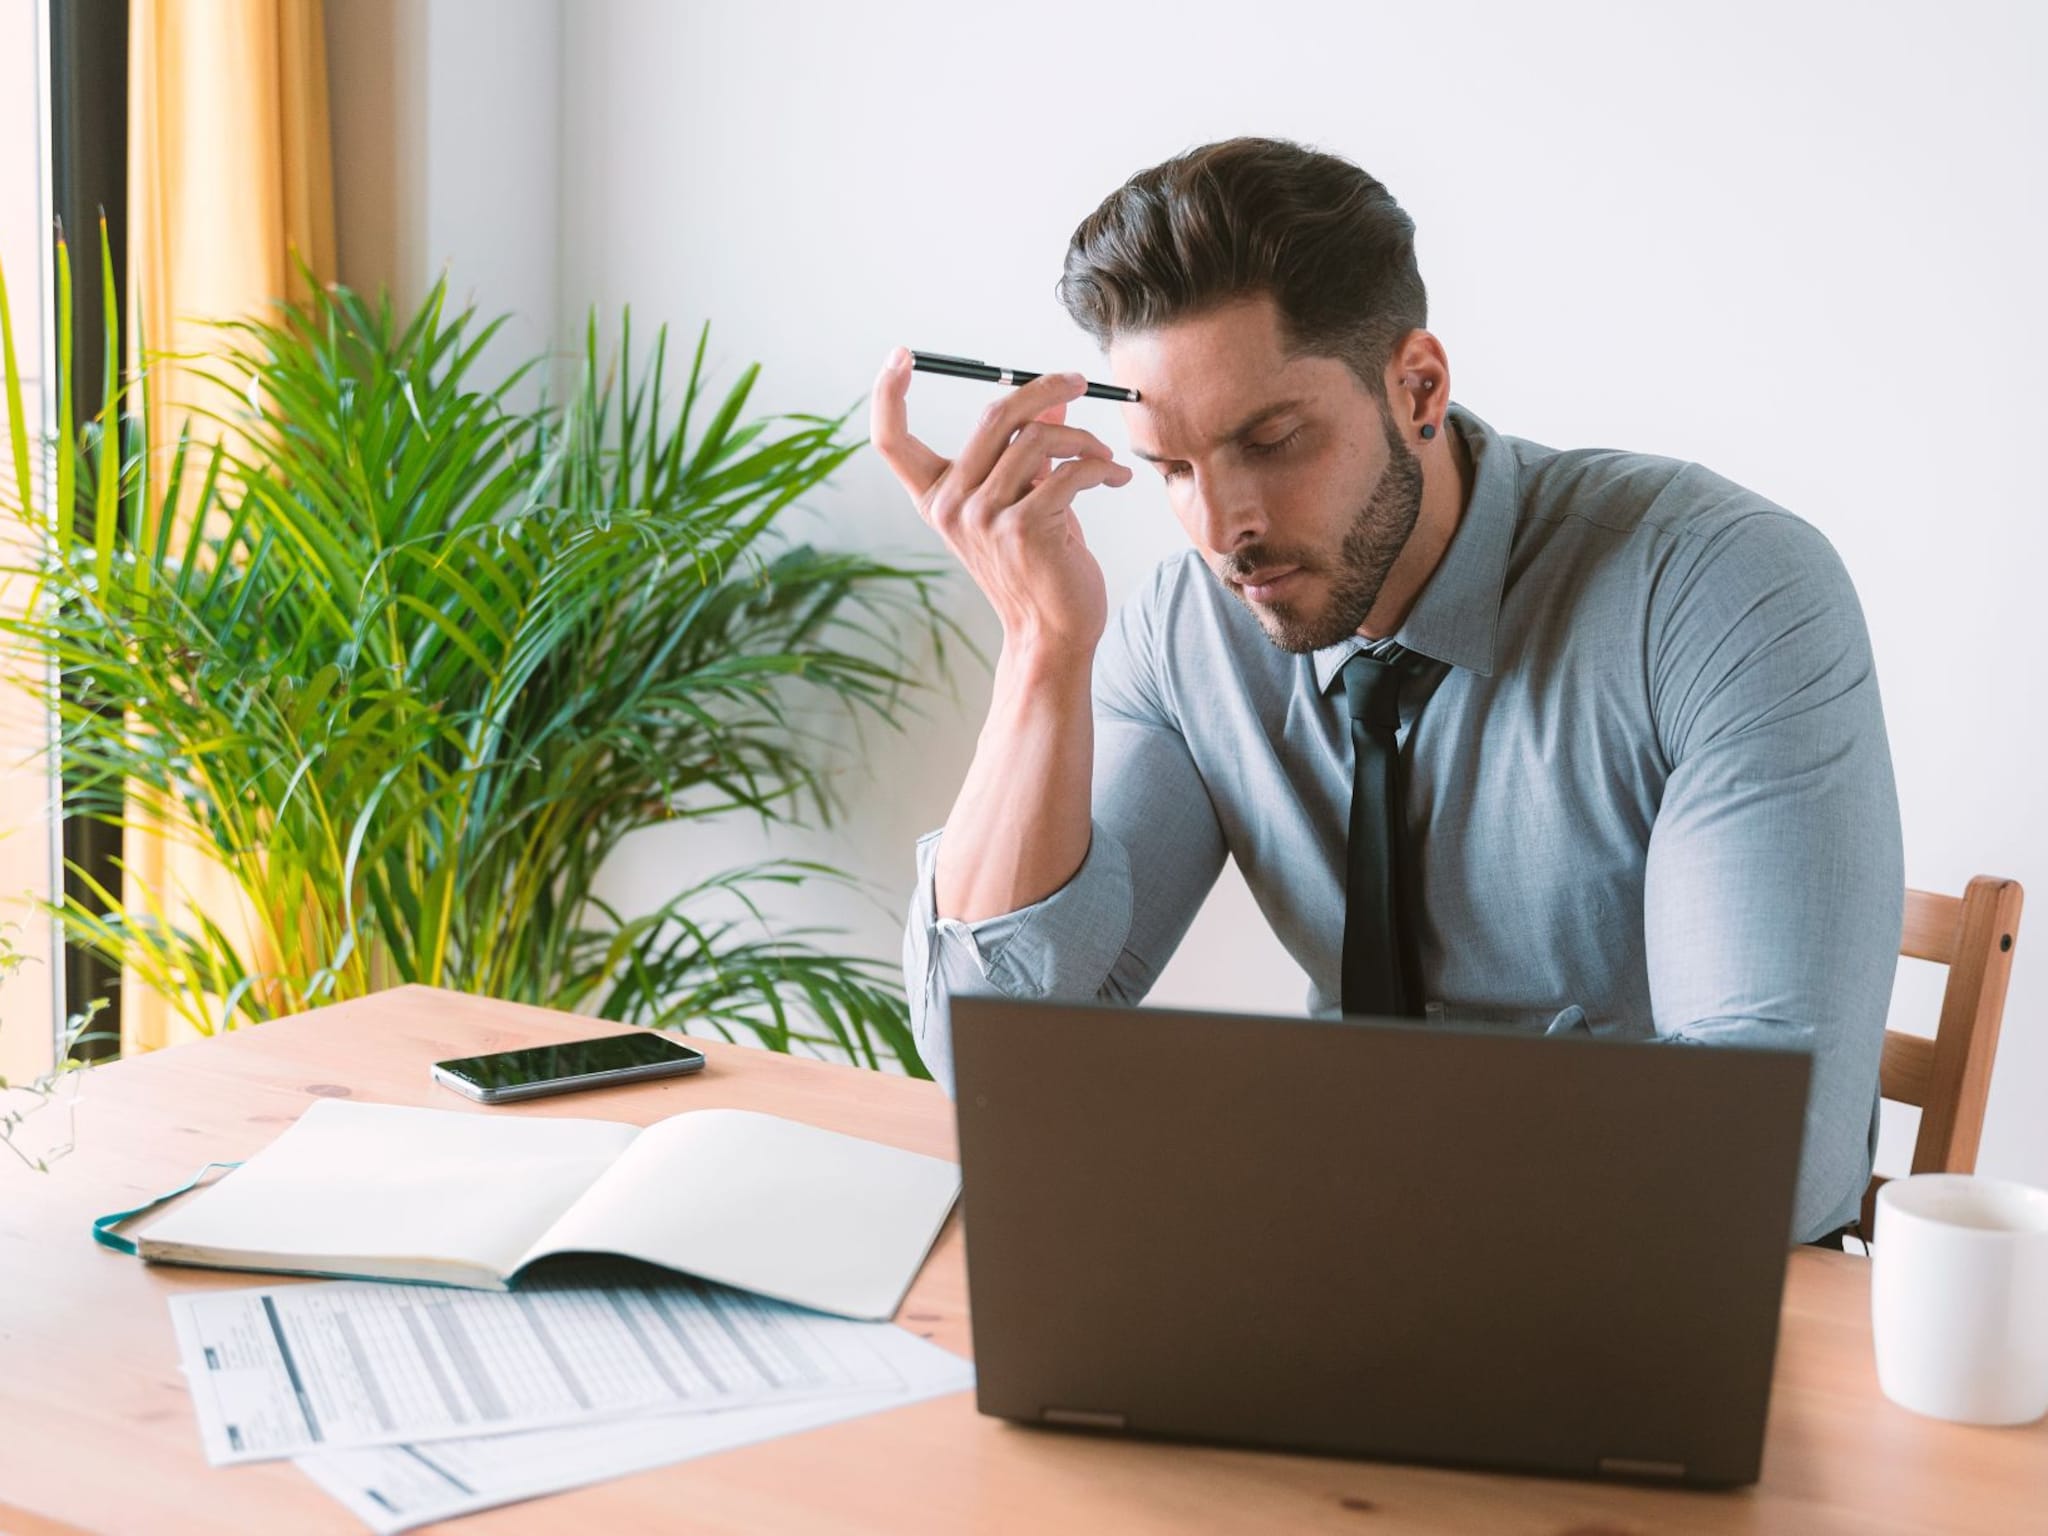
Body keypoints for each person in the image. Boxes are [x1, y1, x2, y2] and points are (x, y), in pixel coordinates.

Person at [870, 136, 1902, 1246]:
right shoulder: (1186, 637)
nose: (1221, 531)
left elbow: (1768, 1153)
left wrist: (1307, 1161)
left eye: (1269, 441)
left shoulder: (1711, 589)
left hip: (1644, 1283)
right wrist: (1040, 644)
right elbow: (998, 1049)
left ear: (1415, 386)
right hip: (1329, 1257)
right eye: (1170, 468)